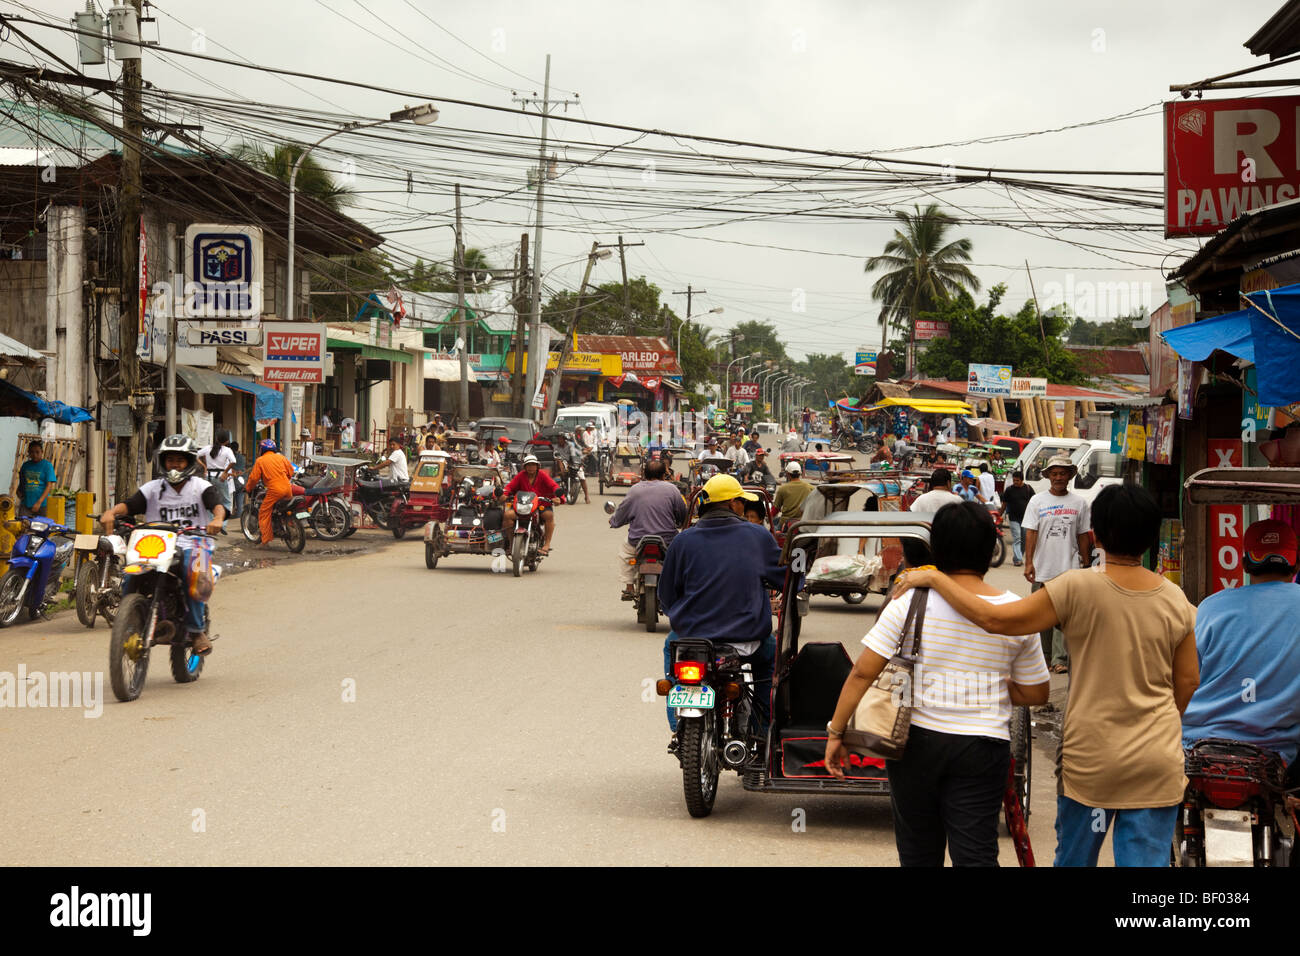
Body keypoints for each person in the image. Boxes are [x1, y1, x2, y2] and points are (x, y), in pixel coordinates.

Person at [896, 484, 1199, 867]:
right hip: (1156, 761)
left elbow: (995, 619)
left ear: (1098, 535)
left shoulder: (1076, 587)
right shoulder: (1177, 600)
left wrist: (936, 578)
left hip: (1092, 758)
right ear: (1152, 537)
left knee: (1074, 860)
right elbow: (1187, 681)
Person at [825, 502, 1050, 866]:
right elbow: (1037, 693)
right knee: (976, 855)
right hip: (984, 746)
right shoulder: (1015, 610)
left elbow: (863, 673)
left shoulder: (909, 599)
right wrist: (993, 686)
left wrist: (837, 732)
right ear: (992, 549)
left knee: (918, 853)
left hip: (916, 745)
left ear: (938, 549)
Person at [660, 474, 786, 733]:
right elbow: (787, 577)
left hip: (692, 638)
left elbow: (666, 594)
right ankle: (761, 732)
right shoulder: (758, 537)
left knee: (670, 646)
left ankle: (678, 725)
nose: (744, 506)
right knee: (770, 659)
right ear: (732, 504)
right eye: (741, 501)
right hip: (746, 638)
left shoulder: (682, 541)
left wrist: (683, 617)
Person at [1182, 519, 1300, 768]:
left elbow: (1188, 676)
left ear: (1245, 563)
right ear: (1296, 563)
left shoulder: (1212, 606)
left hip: (1199, 745)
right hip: (1277, 754)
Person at [98, 434, 225, 655]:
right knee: (131, 573)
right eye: (170, 460)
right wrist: (111, 512)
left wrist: (217, 520)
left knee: (190, 572)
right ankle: (129, 619)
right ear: (163, 462)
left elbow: (217, 505)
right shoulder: (153, 488)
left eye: (180, 460)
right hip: (156, 543)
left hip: (194, 542)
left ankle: (196, 631)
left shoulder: (201, 486)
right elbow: (129, 505)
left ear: (189, 462)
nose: (174, 464)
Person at [1023, 455, 1092, 673]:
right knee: (1041, 614)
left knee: (1064, 615)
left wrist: (1086, 562)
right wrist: (1028, 563)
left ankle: (1060, 659)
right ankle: (1045, 656)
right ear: (1049, 476)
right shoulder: (1037, 501)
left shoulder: (1079, 503)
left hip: (1068, 566)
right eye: (1054, 474)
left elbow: (1082, 535)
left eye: (1063, 473)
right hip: (1043, 566)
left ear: (1070, 476)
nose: (1058, 477)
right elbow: (1031, 533)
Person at [609, 458, 686, 599]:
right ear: (664, 475)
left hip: (638, 539)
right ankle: (679, 587)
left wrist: (614, 521)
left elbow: (622, 512)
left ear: (644, 474)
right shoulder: (672, 489)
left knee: (626, 554)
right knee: (680, 558)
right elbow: (682, 513)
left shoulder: (635, 490)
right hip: (667, 539)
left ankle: (629, 586)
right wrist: (680, 523)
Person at [244, 438, 295, 548]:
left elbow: (253, 479)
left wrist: (248, 488)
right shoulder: (281, 457)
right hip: (288, 488)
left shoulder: (260, 460)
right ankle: (289, 526)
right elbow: (291, 470)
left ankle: (265, 541)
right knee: (284, 509)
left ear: (261, 449)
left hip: (275, 490)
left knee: (264, 512)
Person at [503, 454, 558, 555]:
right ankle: (511, 544)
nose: (531, 467)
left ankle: (547, 544)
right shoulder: (521, 475)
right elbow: (509, 487)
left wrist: (559, 497)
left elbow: (554, 486)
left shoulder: (542, 475)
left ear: (537, 466)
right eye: (528, 465)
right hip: (522, 505)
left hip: (541, 504)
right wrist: (504, 494)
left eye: (533, 465)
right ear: (525, 467)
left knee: (549, 515)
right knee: (507, 515)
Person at [197, 430, 237, 534]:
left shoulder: (207, 448)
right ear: (227, 440)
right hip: (221, 478)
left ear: (216, 438)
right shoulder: (227, 450)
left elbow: (195, 455)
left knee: (208, 501)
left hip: (208, 477)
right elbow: (233, 461)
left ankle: (210, 523)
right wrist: (225, 472)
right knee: (226, 501)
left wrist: (204, 466)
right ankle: (222, 524)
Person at [1002, 471, 1033, 567]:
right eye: (1014, 480)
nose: (1015, 482)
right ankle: (1018, 559)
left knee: (1024, 539)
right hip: (1013, 518)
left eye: (1017, 480)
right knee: (1017, 538)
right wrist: (999, 514)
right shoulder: (1009, 490)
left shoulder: (1028, 488)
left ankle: (1018, 556)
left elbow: (1034, 501)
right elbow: (1004, 504)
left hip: (1025, 519)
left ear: (1022, 480)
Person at [17, 440, 55, 518]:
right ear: (29, 453)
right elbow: (22, 482)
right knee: (23, 527)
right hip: (26, 504)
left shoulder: (47, 466)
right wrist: (18, 490)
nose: (34, 454)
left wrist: (39, 502)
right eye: (31, 452)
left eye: (37, 452)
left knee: (42, 528)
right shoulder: (25, 466)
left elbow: (49, 486)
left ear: (42, 452)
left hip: (42, 505)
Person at [772, 460, 814, 527]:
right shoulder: (810, 488)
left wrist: (768, 517)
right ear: (800, 473)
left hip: (785, 523)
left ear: (788, 474)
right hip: (803, 522)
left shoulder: (783, 489)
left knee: (773, 529)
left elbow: (775, 509)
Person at [553, 432, 590, 504]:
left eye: (561, 438)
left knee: (582, 477)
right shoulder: (556, 447)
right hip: (561, 463)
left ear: (564, 439)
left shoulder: (570, 445)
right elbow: (556, 457)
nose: (559, 440)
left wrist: (575, 462)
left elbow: (573, 454)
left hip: (571, 461)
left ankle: (587, 496)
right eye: (558, 438)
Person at [228, 441, 247, 522]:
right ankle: (239, 515)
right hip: (242, 480)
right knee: (240, 500)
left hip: (233, 481)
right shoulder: (242, 457)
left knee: (231, 499)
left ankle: (231, 515)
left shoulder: (230, 457)